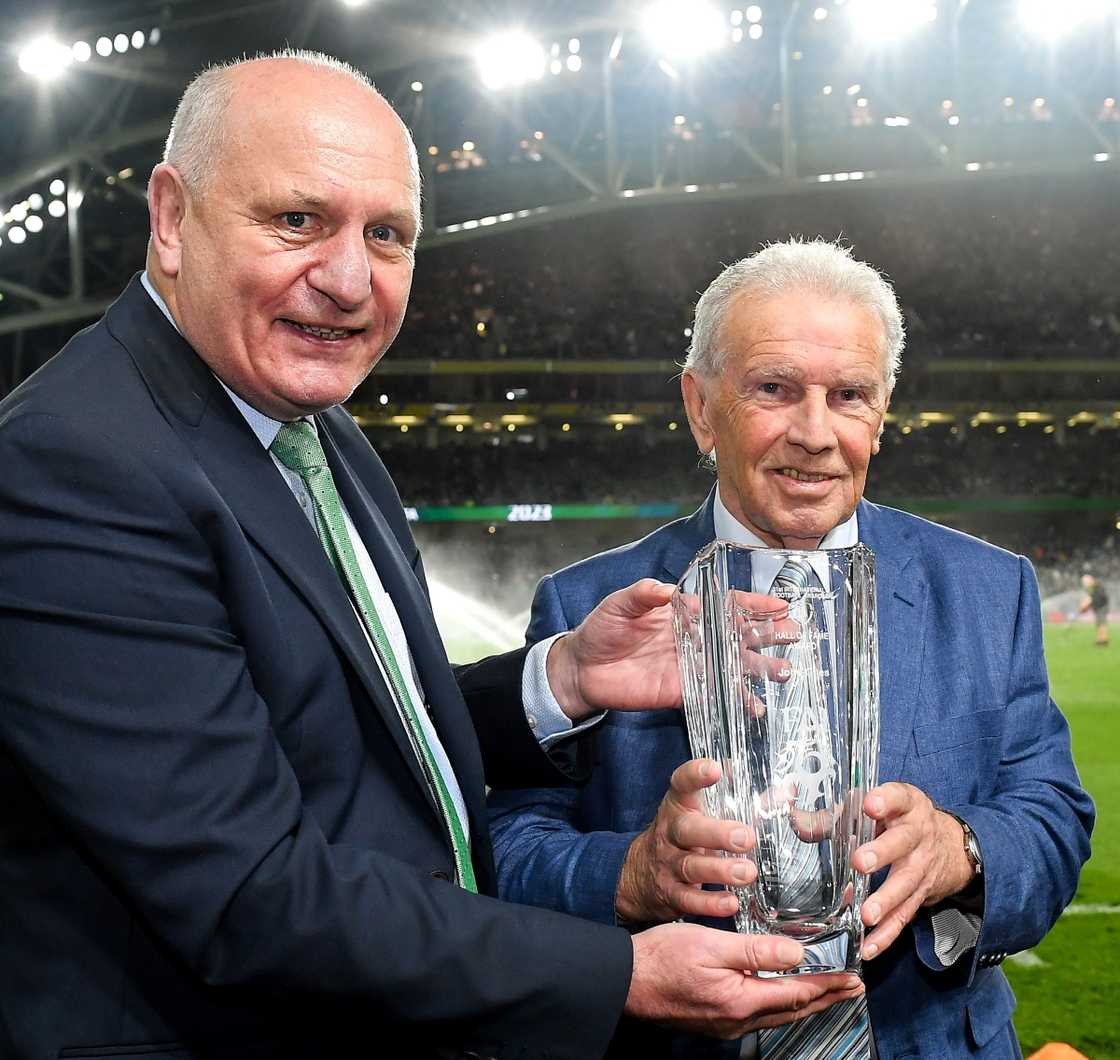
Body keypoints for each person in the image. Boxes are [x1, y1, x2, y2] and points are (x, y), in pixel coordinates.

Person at [0, 56, 863, 1060]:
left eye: (387, 234)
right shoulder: (75, 462)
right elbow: (245, 891)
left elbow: (333, 726)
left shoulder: (316, 431)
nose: (349, 278)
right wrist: (616, 972)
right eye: (296, 221)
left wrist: (559, 679)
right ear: (169, 216)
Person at [489, 239, 1095, 1058]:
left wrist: (961, 850)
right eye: (774, 389)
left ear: (881, 413)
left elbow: (1052, 817)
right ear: (701, 406)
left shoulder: (991, 590)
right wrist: (632, 874)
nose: (815, 433)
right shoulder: (589, 607)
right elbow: (502, 847)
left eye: (849, 395)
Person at [1079, 572, 1110, 646]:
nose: (1086, 585)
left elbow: (1097, 598)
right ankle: (1100, 639)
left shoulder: (1098, 586)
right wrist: (1085, 605)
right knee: (1099, 623)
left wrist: (1087, 604)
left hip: (1102, 607)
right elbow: (1090, 598)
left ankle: (1103, 639)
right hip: (1098, 607)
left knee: (1101, 623)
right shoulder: (1092, 588)